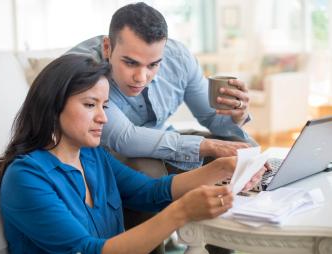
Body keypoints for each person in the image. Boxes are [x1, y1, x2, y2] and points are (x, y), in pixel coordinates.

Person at [0, 54, 264, 254]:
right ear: (53, 107)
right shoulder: (27, 177)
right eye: (90, 105)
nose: (102, 117)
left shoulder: (92, 156)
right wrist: (183, 211)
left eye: (104, 106)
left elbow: (151, 191)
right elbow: (89, 250)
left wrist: (223, 168)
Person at [67, 3, 257, 253]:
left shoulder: (178, 58)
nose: (141, 77)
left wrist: (237, 115)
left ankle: (221, 245)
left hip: (162, 139)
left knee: (236, 154)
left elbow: (213, 120)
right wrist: (205, 145)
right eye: (130, 63)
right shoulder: (83, 68)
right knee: (145, 167)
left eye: (153, 65)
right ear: (107, 47)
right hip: (110, 153)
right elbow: (125, 138)